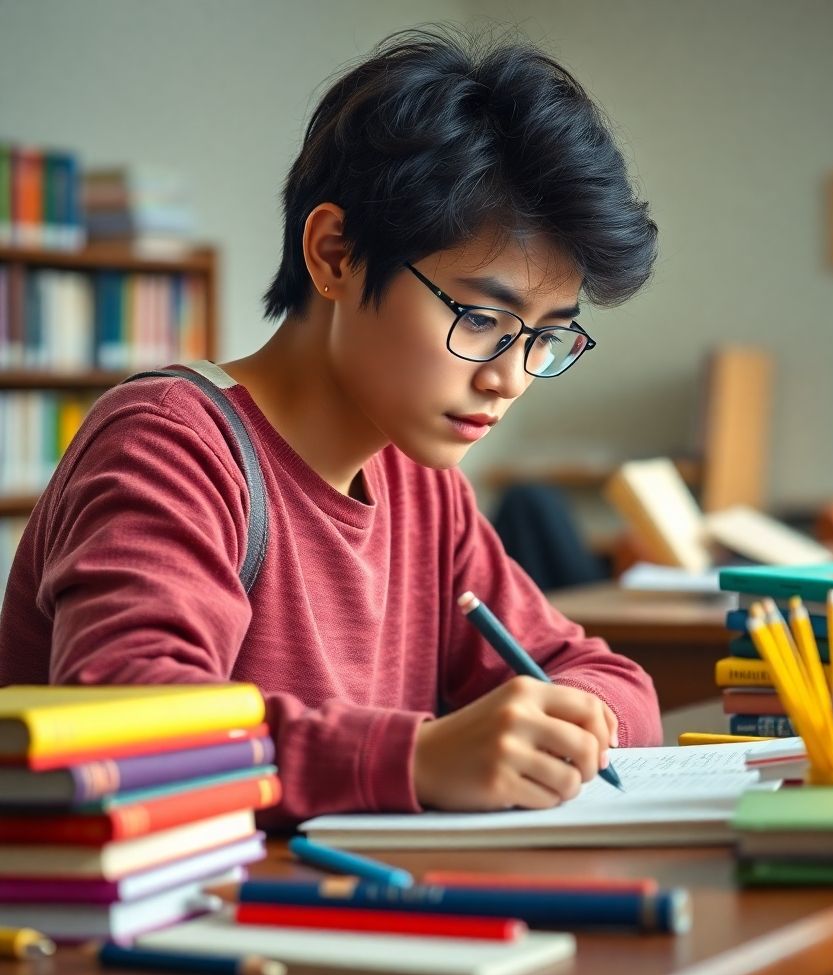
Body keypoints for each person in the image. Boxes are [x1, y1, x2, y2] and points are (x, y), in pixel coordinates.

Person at [0, 27, 661, 823]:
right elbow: (127, 726)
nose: (510, 377)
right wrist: (414, 760)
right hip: (151, 932)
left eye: (547, 336)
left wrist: (576, 723)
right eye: (483, 318)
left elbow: (608, 680)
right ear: (334, 254)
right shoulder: (170, 442)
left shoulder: (423, 484)